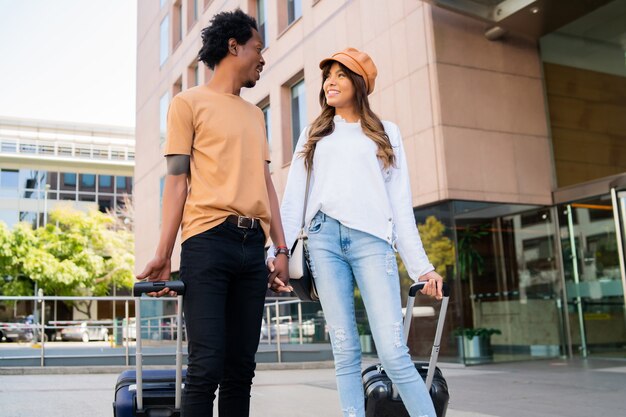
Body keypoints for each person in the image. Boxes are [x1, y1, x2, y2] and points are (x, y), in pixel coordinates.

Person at [267, 48, 444, 417]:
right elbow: (293, 200)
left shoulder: (385, 133)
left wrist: (421, 267)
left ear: (360, 84)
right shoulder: (314, 134)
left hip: (372, 242)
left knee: (394, 353)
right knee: (344, 349)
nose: (330, 81)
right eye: (327, 75)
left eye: (341, 75)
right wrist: (277, 252)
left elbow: (400, 204)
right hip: (322, 239)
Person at [136, 9, 291, 417]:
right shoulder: (187, 104)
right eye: (258, 48)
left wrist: (281, 248)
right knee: (206, 368)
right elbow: (176, 180)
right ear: (233, 46)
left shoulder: (256, 115)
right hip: (207, 244)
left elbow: (266, 184)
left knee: (241, 370)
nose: (262, 57)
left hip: (252, 250)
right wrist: (164, 252)